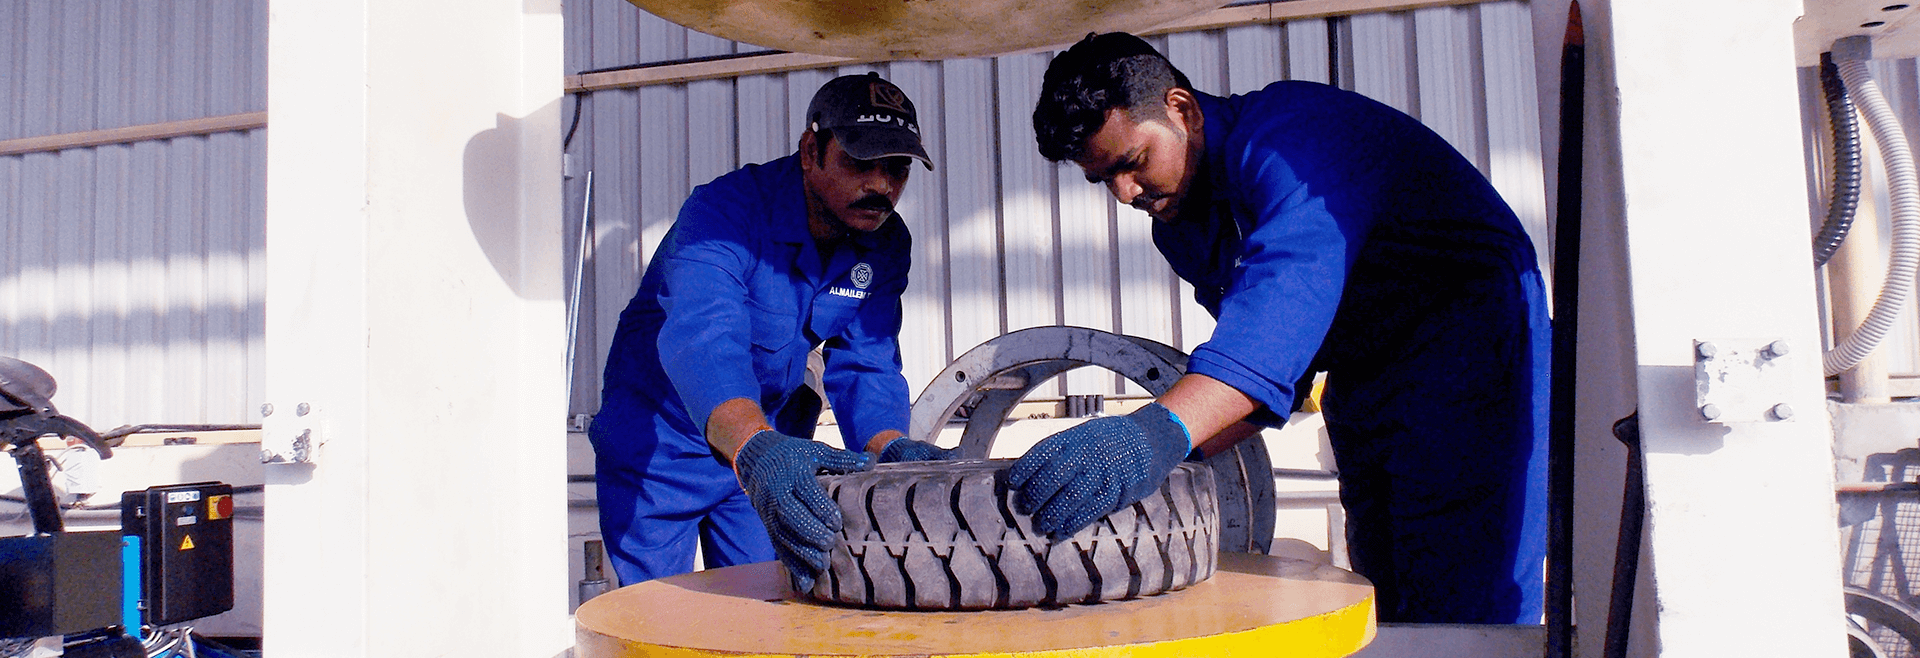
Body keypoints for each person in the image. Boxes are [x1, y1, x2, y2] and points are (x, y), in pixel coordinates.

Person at [1014, 32, 1549, 624]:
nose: (1124, 194)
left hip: (1473, 351)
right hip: (1366, 373)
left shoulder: (1295, 142)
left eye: (1132, 163)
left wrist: (1149, 438)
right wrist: (1155, 460)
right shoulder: (1183, 223)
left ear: (1182, 109)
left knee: (1463, 597)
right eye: (1103, 180)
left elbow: (1269, 336)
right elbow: (1275, 378)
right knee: (1384, 589)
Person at [591, 72, 956, 591]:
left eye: (896, 168)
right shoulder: (721, 214)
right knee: (654, 620)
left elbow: (868, 363)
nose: (880, 185)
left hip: (768, 448)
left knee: (766, 607)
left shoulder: (885, 241)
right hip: (664, 444)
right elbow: (704, 340)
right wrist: (752, 447)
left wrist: (893, 449)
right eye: (858, 162)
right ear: (811, 150)